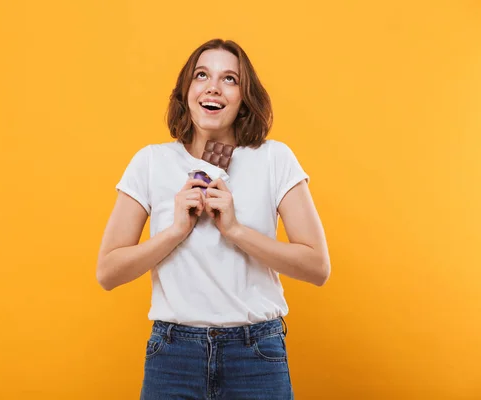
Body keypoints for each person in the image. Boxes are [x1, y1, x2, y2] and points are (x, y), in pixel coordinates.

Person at [96, 38, 331, 400]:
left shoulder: (274, 159)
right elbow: (108, 272)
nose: (213, 87)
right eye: (202, 75)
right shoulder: (151, 162)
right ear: (186, 92)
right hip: (173, 355)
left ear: (243, 99)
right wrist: (175, 232)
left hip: (256, 354)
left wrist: (235, 230)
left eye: (230, 79)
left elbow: (317, 267)